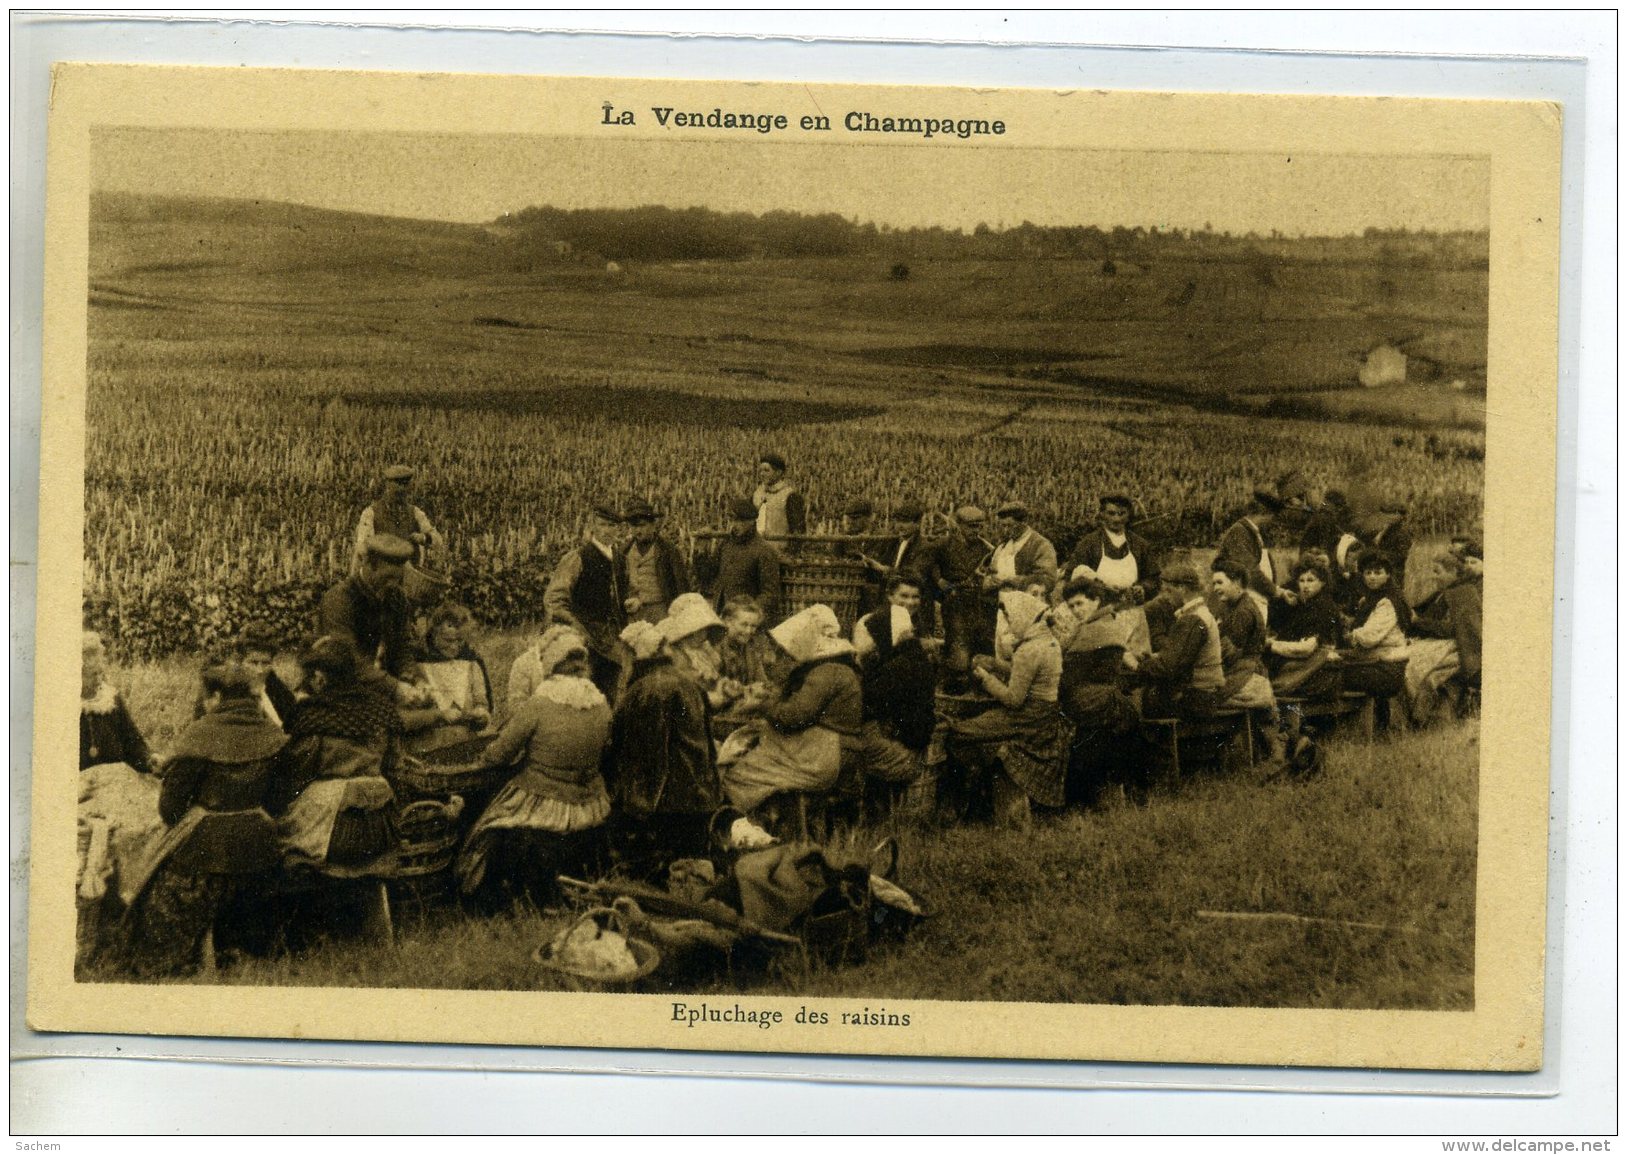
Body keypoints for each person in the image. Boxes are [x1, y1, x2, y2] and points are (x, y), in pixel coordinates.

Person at [116, 660, 284, 977]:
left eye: (205, 697)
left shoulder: (199, 735)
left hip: (208, 852)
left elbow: (169, 810)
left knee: (154, 886)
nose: (204, 703)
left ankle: (180, 960)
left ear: (217, 698)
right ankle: (242, 947)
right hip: (260, 848)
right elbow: (279, 797)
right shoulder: (271, 734)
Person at [456, 627, 613, 906]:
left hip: (543, 800)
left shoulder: (540, 703)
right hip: (591, 802)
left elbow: (501, 753)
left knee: (486, 823)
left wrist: (485, 756)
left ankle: (475, 894)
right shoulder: (601, 703)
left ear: (551, 666)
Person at [721, 605, 864, 820]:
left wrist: (761, 705)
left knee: (743, 771)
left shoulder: (828, 672)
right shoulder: (836, 667)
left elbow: (793, 716)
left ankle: (739, 822)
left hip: (823, 754)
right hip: (833, 748)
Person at [605, 620, 719, 879]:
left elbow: (650, 756)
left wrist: (637, 806)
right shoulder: (686, 682)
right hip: (700, 792)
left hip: (673, 802)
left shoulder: (649, 689)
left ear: (635, 654)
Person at [274, 636, 400, 871]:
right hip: (380, 823)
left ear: (320, 677)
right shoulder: (380, 708)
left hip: (334, 827)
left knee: (277, 836)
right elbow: (394, 763)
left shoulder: (311, 714)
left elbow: (296, 773)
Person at [943, 589, 1068, 823]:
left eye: (1011, 618)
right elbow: (1027, 676)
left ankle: (964, 804)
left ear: (1022, 616)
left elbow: (1013, 699)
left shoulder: (1028, 650)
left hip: (1027, 717)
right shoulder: (1048, 641)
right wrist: (996, 664)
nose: (1009, 625)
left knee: (958, 732)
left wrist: (985, 678)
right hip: (1046, 714)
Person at [1052, 577, 1143, 806]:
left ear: (1096, 601)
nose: (1075, 611)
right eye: (1071, 606)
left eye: (1080, 604)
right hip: (1102, 698)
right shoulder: (1104, 624)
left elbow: (1070, 674)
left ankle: (1081, 796)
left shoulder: (1095, 630)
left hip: (1090, 700)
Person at [319, 533, 430, 709]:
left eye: (398, 578)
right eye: (387, 577)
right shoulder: (339, 599)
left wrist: (415, 679)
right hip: (346, 692)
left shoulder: (396, 597)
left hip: (387, 689)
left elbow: (402, 646)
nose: (393, 584)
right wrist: (396, 688)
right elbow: (348, 661)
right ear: (368, 565)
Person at [854, 603, 935, 812]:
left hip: (904, 754)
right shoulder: (913, 657)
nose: (873, 643)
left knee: (851, 745)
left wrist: (862, 664)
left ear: (886, 634)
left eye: (875, 636)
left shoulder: (899, 666)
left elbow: (867, 703)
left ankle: (862, 813)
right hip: (910, 745)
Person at [544, 502, 629, 701]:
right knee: (582, 692)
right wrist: (576, 626)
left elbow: (623, 594)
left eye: (614, 526)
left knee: (610, 694)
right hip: (585, 640)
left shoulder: (619, 559)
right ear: (592, 526)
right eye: (604, 525)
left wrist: (631, 602)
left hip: (612, 641)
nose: (609, 531)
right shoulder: (578, 558)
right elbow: (554, 599)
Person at [1121, 564, 1225, 720]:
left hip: (1195, 698)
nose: (1165, 597)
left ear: (1182, 588)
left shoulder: (1192, 619)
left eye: (1168, 591)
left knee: (1129, 709)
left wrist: (1136, 665)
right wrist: (1153, 659)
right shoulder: (1201, 613)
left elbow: (1168, 668)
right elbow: (1180, 659)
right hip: (1203, 694)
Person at [1405, 550, 1483, 724]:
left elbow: (1452, 629)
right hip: (1444, 644)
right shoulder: (1447, 591)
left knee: (1417, 667)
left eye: (1437, 572)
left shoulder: (1463, 593)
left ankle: (1417, 719)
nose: (1434, 577)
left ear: (1454, 572)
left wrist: (1419, 622)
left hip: (1460, 649)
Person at [403, 602, 493, 751]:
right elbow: (409, 717)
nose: (454, 647)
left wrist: (481, 715)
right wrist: (439, 715)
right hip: (428, 745)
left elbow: (482, 703)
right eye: (448, 640)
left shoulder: (472, 664)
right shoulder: (417, 666)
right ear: (434, 634)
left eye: (459, 641)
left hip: (466, 743)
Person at [1211, 559, 1278, 757]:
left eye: (1220, 583)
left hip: (1247, 675)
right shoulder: (1234, 606)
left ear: (1237, 582)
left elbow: (1227, 654)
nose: (1215, 588)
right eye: (1213, 583)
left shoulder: (1243, 612)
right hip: (1244, 671)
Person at [919, 505, 995, 680]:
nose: (976, 530)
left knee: (979, 639)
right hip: (953, 600)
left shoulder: (985, 549)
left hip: (977, 601)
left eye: (979, 526)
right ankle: (956, 676)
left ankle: (974, 677)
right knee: (957, 639)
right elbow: (929, 563)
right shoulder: (944, 544)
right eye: (971, 526)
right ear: (958, 525)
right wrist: (940, 581)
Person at [1335, 550, 1413, 714]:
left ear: (1388, 575)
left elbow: (1369, 638)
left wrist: (1353, 634)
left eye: (1378, 573)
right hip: (1375, 661)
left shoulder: (1388, 602)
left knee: (1335, 675)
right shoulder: (1373, 598)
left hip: (1389, 667)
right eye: (1367, 572)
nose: (1372, 577)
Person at [1058, 494, 1161, 607]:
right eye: (1111, 513)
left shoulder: (1140, 545)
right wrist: (1097, 588)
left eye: (1121, 513)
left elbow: (1154, 579)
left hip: (1131, 608)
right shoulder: (1089, 544)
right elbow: (1071, 578)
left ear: (1128, 515)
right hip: (1097, 611)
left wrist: (1143, 589)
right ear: (1102, 515)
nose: (1116, 519)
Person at [192, 621, 299, 729]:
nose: (260, 670)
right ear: (240, 662)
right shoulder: (226, 690)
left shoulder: (276, 688)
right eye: (253, 662)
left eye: (266, 663)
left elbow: (294, 721)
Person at [1266, 559, 1345, 701]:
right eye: (1301, 581)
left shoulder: (1323, 607)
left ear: (1323, 582)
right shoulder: (1306, 605)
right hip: (1310, 665)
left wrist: (1271, 645)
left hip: (1322, 672)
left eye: (1311, 580)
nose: (1305, 585)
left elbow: (1306, 648)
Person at [1214, 482, 1291, 618]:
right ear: (1263, 513)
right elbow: (1250, 570)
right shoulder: (1240, 532)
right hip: (1233, 605)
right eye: (1272, 516)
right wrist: (1276, 591)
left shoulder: (1250, 532)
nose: (1272, 521)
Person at [80, 630, 153, 774]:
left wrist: (149, 759)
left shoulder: (111, 699)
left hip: (115, 783)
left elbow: (132, 742)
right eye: (92, 675)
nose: (98, 679)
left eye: (100, 672)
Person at [701, 497, 783, 623]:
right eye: (732, 520)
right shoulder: (726, 545)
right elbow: (707, 574)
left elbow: (770, 593)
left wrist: (749, 613)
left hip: (746, 622)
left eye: (740, 521)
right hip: (722, 615)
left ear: (752, 522)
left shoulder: (764, 551)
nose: (735, 525)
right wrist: (701, 549)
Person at [614, 498, 694, 626]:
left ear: (653, 525)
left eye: (642, 525)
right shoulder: (623, 551)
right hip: (634, 614)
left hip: (662, 611)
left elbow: (682, 584)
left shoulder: (668, 550)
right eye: (634, 526)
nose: (637, 530)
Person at [351, 464, 444, 573]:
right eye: (398, 485)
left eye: (405, 485)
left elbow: (437, 541)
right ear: (387, 486)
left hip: (409, 577)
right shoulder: (370, 513)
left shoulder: (415, 513)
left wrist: (423, 538)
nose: (401, 489)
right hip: (381, 577)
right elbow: (362, 548)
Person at [661, 593, 738, 711]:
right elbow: (683, 689)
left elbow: (714, 679)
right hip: (690, 706)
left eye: (704, 630)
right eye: (696, 630)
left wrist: (723, 686)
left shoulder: (706, 650)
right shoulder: (675, 653)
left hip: (710, 703)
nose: (701, 635)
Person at [984, 502, 1060, 599]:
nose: (1006, 530)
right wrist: (989, 580)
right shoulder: (1003, 545)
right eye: (1003, 526)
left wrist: (1014, 581)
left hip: (1026, 604)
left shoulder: (1041, 545)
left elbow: (1048, 580)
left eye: (1010, 525)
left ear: (1024, 522)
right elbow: (988, 570)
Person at [853, 573, 926, 660]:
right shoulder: (876, 619)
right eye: (904, 596)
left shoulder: (916, 620)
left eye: (915, 597)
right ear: (890, 596)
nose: (910, 602)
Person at [718, 595, 777, 689]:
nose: (748, 631)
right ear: (728, 621)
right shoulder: (716, 648)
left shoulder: (750, 646)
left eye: (753, 626)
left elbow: (761, 680)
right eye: (744, 625)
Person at [752, 451, 807, 542]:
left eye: (766, 470)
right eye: (760, 470)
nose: (762, 474)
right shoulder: (757, 493)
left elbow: (798, 532)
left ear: (779, 473)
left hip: (779, 551)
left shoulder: (790, 496)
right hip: (757, 549)